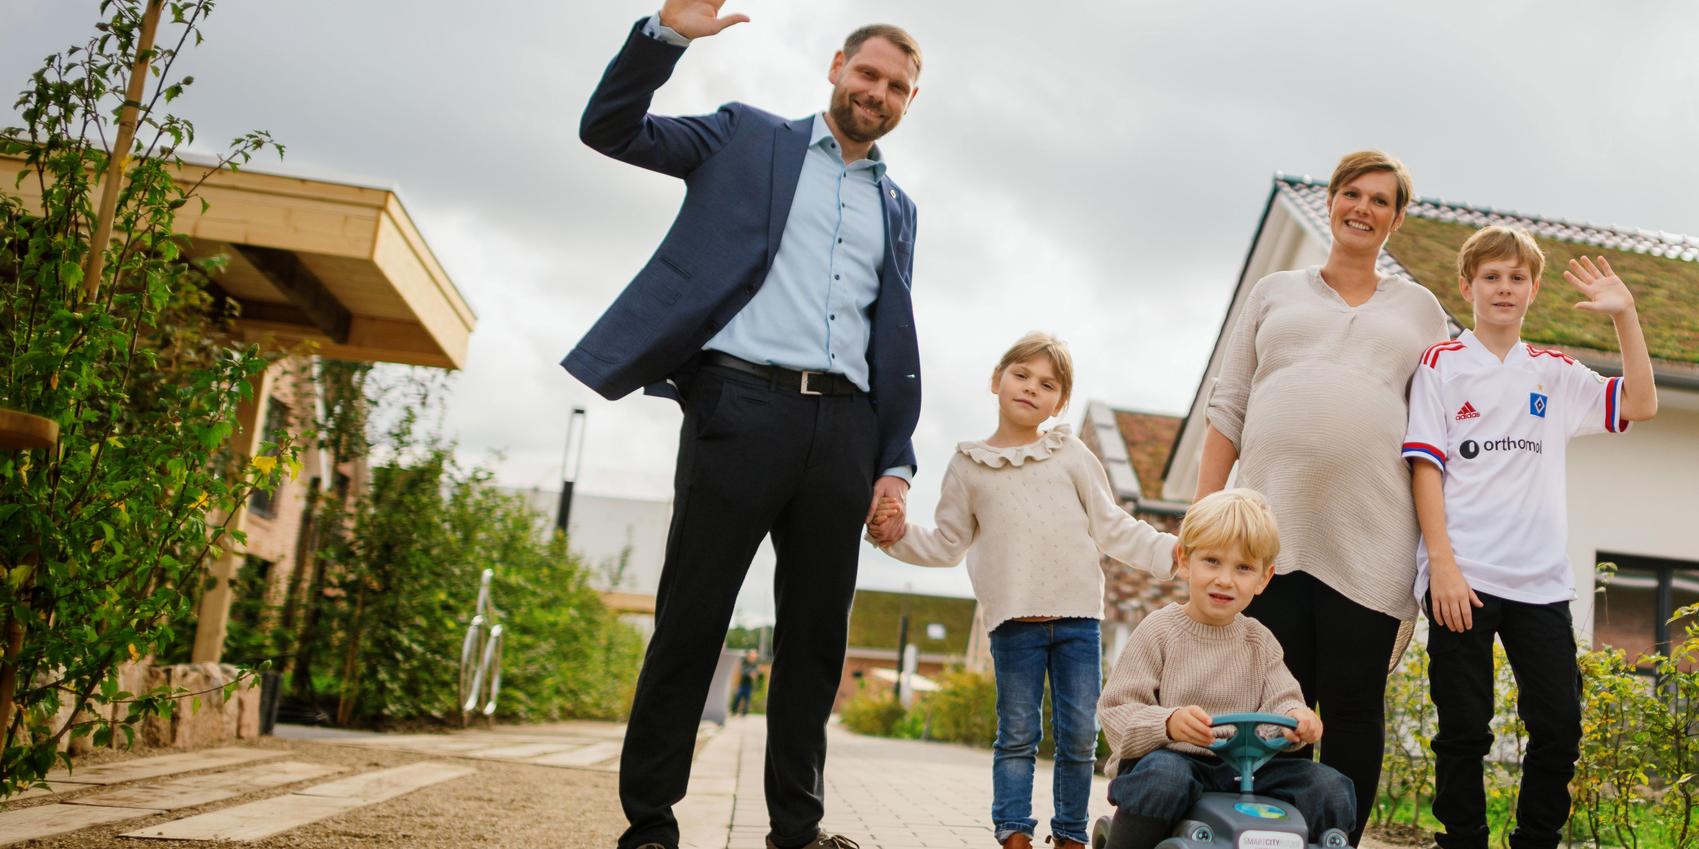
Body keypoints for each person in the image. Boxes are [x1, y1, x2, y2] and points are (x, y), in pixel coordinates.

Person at [562, 2, 924, 847]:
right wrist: (667, 36)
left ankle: (797, 830)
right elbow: (609, 129)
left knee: (815, 643)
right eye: (867, 74)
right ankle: (649, 821)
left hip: (843, 429)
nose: (877, 93)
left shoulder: (899, 208)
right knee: (692, 619)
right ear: (836, 67)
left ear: (909, 103)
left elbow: (894, 334)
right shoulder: (744, 137)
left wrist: (892, 459)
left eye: (897, 87)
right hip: (739, 406)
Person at [1194, 149, 1449, 842]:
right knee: (1270, 708)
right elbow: (1228, 403)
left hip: (1371, 543)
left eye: (1378, 200)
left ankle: (1336, 838)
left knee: (1354, 708)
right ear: (1332, 201)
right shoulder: (1275, 291)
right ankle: (1267, 837)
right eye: (1351, 194)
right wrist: (1203, 518)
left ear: (1395, 219)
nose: (1361, 208)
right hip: (1268, 540)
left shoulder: (1422, 311)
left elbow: (1446, 422)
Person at [868, 332, 1178, 849]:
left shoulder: (1071, 453)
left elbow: (1113, 525)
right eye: (1021, 375)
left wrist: (1171, 551)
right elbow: (947, 544)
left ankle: (1071, 836)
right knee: (1017, 736)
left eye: (1047, 384)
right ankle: (1013, 832)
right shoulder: (968, 465)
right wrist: (893, 536)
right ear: (997, 380)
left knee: (1080, 735)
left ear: (1060, 401)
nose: (1032, 388)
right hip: (1013, 626)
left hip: (1078, 621)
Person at [1402, 226, 1658, 849]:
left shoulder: (1555, 373)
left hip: (1540, 584)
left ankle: (1536, 839)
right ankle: (1462, 839)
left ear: (1534, 289)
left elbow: (1643, 405)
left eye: (1517, 278)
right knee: (1464, 727)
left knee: (1559, 728)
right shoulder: (1441, 365)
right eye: (1491, 276)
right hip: (1463, 578)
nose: (1504, 288)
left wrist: (1626, 317)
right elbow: (1425, 468)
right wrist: (1443, 567)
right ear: (1467, 286)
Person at [1097, 489, 1355, 849]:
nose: (1225, 580)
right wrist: (1167, 723)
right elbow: (1117, 711)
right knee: (1164, 778)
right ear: (1185, 561)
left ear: (1264, 578)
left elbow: (1282, 700)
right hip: (1175, 759)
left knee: (1330, 787)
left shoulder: (1259, 641)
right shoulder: (1160, 631)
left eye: (1243, 568)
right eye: (1212, 561)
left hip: (1248, 771)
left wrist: (1297, 717)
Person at [731, 649, 760, 716]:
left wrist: (755, 674)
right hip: (742, 683)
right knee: (739, 696)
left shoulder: (754, 665)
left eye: (753, 657)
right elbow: (743, 671)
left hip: (749, 684)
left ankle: (744, 712)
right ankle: (734, 710)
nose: (752, 658)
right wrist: (750, 673)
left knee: (747, 697)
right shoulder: (744, 662)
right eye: (751, 656)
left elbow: (756, 672)